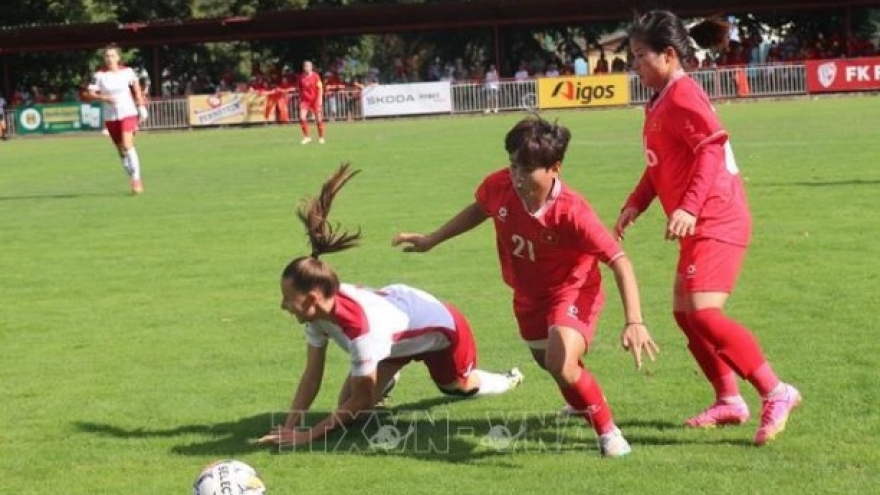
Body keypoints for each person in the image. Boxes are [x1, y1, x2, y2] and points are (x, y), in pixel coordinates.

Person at [393, 117, 658, 457]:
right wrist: (432, 239)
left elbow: (620, 261)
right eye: (514, 165)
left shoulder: (573, 212)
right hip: (528, 294)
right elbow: (479, 209)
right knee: (552, 363)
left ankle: (608, 433)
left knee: (561, 364)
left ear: (555, 168)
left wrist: (634, 321)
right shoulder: (500, 185)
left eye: (528, 169)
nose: (517, 177)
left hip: (573, 289)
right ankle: (581, 401)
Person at [619, 11, 801, 446]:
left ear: (667, 55)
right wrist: (637, 203)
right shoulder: (660, 98)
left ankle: (777, 392)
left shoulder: (683, 94)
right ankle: (729, 400)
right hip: (699, 218)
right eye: (632, 58)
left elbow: (711, 150)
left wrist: (689, 207)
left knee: (702, 312)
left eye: (640, 57)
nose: (635, 66)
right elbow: (661, 164)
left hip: (719, 215)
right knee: (686, 316)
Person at [257, 164, 524, 448]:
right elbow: (312, 374)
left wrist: (308, 436)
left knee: (457, 387)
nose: (283, 305)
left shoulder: (361, 331)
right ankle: (389, 370)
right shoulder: (319, 310)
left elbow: (359, 399)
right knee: (352, 410)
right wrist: (288, 427)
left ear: (312, 299)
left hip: (443, 332)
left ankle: (508, 379)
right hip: (394, 335)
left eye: (288, 298)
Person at [85, 44, 149, 195]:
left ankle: (136, 179)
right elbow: (90, 93)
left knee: (127, 144)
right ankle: (130, 170)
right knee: (121, 149)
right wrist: (104, 97)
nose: (109, 59)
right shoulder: (99, 75)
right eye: (107, 56)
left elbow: (136, 86)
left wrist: (140, 105)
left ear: (118, 57)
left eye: (112, 55)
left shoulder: (127, 71)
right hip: (111, 116)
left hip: (128, 112)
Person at [297, 61, 325, 145]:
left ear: (311, 67)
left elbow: (320, 88)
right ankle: (307, 137)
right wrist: (301, 98)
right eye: (305, 66)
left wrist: (320, 99)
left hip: (315, 100)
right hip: (305, 101)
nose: (306, 67)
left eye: (308, 66)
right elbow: (300, 89)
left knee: (319, 119)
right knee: (302, 118)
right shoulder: (301, 77)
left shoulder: (316, 76)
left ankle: (321, 137)